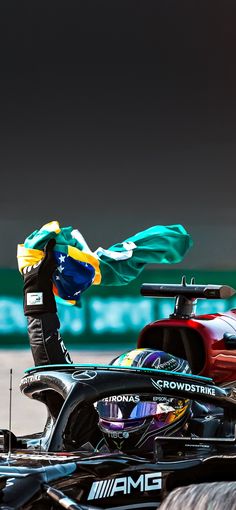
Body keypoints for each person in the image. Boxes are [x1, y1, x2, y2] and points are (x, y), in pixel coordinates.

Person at [22, 240, 222, 452]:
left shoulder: (212, 443)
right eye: (112, 409)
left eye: (138, 410)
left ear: (169, 410)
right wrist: (37, 290)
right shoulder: (93, 436)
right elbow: (50, 361)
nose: (120, 422)